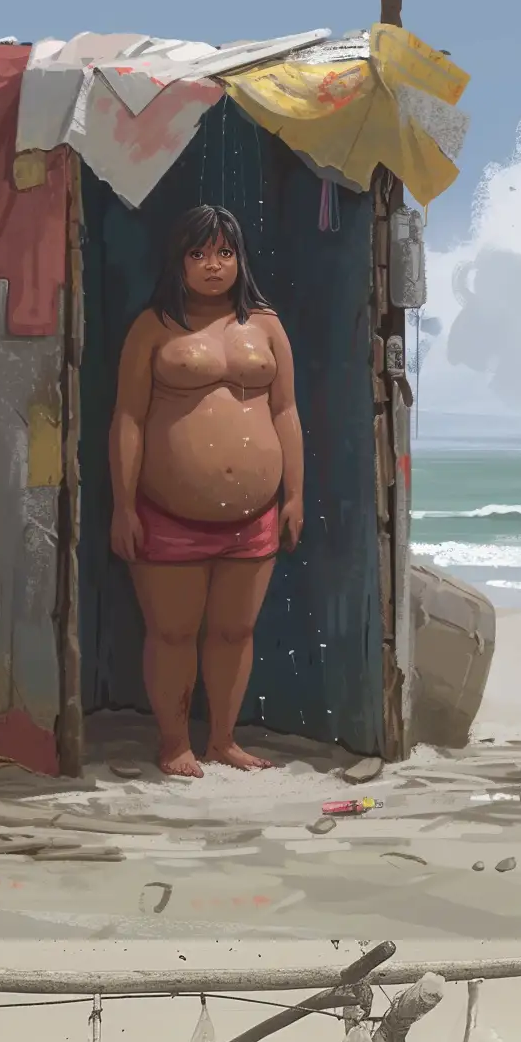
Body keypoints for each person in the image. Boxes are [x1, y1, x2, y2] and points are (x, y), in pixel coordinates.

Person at [108, 204, 304, 779]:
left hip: (256, 516)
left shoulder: (266, 325)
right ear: (179, 261)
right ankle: (174, 743)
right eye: (199, 254)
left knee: (233, 631)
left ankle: (222, 739)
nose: (213, 266)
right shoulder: (154, 327)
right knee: (171, 634)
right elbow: (128, 418)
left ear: (240, 259)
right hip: (168, 514)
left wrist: (294, 495)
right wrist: (122, 505)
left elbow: (287, 410)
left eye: (224, 252)